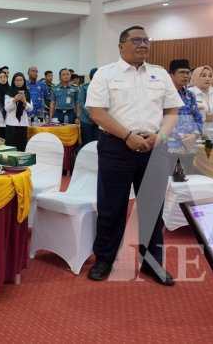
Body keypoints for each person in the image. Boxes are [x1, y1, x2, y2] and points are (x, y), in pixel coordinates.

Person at [85, 25, 181, 286]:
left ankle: (152, 261)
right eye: (136, 40)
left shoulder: (160, 75)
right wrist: (128, 136)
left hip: (153, 147)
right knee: (111, 207)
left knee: (152, 208)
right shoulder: (106, 74)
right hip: (116, 146)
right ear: (121, 45)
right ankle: (104, 259)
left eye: (146, 40)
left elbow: (172, 111)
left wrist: (158, 137)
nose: (143, 45)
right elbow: (97, 113)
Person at [166, 60, 203, 175]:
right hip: (168, 147)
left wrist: (195, 134)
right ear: (171, 74)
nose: (186, 76)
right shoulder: (164, 95)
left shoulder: (190, 95)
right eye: (182, 72)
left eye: (188, 72)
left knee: (186, 183)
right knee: (170, 184)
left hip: (188, 147)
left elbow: (198, 119)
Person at [189, 66, 213, 132]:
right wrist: (204, 117)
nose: (207, 79)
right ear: (196, 77)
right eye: (204, 76)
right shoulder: (190, 93)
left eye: (210, 76)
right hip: (195, 133)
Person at [4, 72, 33, 151]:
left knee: (22, 147)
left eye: (21, 80)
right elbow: (7, 108)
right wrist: (14, 100)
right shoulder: (8, 93)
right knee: (10, 148)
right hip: (11, 124)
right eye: (17, 80)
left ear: (24, 81)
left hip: (23, 124)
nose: (19, 82)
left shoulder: (27, 93)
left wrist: (24, 102)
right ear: (13, 81)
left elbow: (30, 109)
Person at [79, 67, 99, 146]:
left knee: (97, 143)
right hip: (86, 120)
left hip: (99, 121)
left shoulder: (102, 88)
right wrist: (91, 115)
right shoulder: (84, 87)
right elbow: (81, 103)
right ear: (91, 76)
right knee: (87, 143)